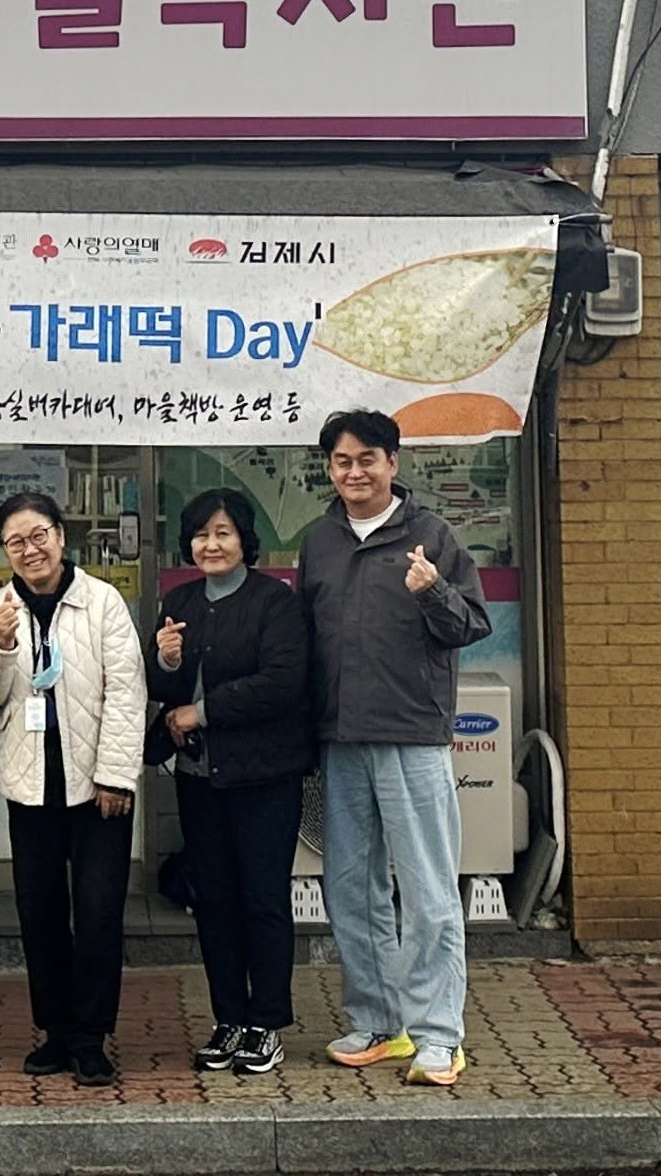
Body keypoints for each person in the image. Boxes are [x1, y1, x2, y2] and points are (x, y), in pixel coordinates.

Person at [298, 409, 491, 1087]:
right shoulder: (319, 540)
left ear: (393, 463)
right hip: (340, 737)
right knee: (351, 888)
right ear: (330, 469)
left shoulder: (431, 534)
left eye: (367, 459)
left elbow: (471, 623)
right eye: (342, 461)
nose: (355, 471)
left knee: (428, 889)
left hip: (411, 735)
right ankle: (381, 1022)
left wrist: (432, 590)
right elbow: (307, 639)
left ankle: (440, 1036)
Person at [0, 490, 145, 1086]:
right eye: (15, 542)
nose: (29, 550)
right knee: (39, 914)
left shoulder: (102, 601)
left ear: (61, 537)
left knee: (98, 915)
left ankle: (91, 1038)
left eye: (38, 535)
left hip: (98, 789)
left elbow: (127, 692)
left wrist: (116, 776)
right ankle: (55, 1032)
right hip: (30, 786)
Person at [146, 489, 313, 1077]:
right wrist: (166, 661)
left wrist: (204, 711)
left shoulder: (276, 602)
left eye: (223, 533)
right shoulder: (180, 599)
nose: (210, 544)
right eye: (200, 534)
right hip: (199, 778)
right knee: (212, 899)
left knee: (262, 898)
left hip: (264, 777)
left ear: (244, 538)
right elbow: (161, 689)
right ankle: (229, 1019)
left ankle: (266, 1023)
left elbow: (282, 682)